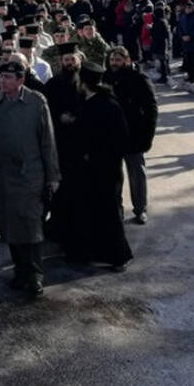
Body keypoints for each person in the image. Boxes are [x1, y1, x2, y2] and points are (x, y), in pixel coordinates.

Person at [0, 60, 59, 298]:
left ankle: (35, 275)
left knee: (31, 225)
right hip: (4, 174)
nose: (3, 81)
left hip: (31, 173)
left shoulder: (36, 102)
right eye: (1, 76)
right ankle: (20, 271)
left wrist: (52, 176)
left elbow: (48, 141)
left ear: (21, 80)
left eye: (9, 77)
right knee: (10, 226)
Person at [57, 61, 133, 270]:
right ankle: (98, 252)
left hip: (104, 171)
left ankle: (119, 257)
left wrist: (93, 155)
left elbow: (117, 139)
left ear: (85, 82)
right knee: (95, 213)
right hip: (92, 171)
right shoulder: (92, 102)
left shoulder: (107, 105)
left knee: (109, 214)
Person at [103, 47, 158, 224]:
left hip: (133, 136)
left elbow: (151, 109)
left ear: (127, 60)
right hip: (112, 136)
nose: (114, 63)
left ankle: (140, 208)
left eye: (118, 60)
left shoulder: (139, 79)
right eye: (112, 60)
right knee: (113, 176)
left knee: (136, 174)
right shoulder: (106, 79)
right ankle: (116, 209)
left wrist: (147, 137)